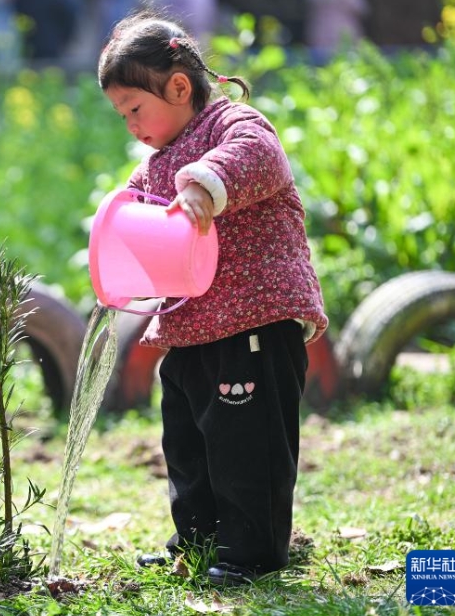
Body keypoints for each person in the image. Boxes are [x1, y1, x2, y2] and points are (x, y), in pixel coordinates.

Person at [97, 10, 329, 586]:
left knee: (247, 445)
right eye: (121, 114)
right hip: (192, 327)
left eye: (134, 109)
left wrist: (205, 183)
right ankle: (198, 541)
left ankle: (252, 552)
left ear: (178, 87)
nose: (130, 124)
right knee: (189, 441)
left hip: (254, 321)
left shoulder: (234, 125)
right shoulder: (155, 162)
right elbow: (134, 213)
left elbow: (259, 157)